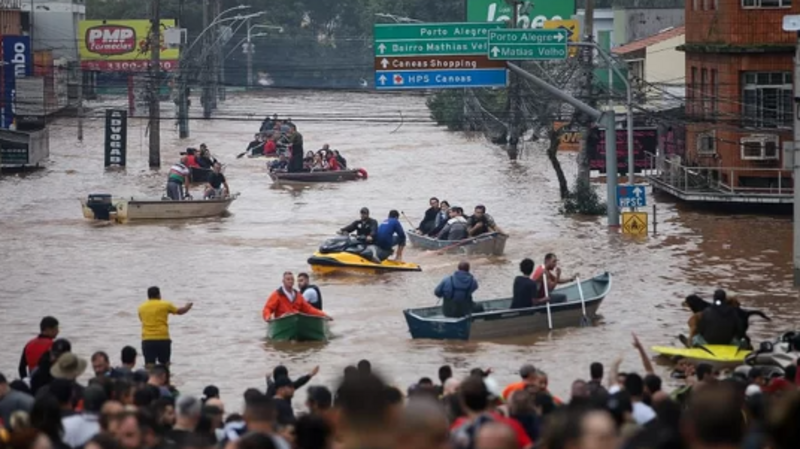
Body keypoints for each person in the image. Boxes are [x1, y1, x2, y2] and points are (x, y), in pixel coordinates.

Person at [138, 286, 193, 367]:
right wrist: (187, 307)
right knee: (165, 366)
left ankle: (150, 379)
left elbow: (142, 320)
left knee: (149, 366)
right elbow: (180, 311)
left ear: (148, 296)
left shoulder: (141, 307)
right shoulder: (165, 305)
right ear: (158, 295)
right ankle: (166, 378)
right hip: (163, 339)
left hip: (147, 340)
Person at [262, 272, 331, 321]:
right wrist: (268, 317)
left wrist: (324, 315)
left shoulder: (298, 295)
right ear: (283, 281)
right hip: (282, 320)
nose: (290, 281)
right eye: (288, 279)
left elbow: (308, 309)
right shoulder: (277, 294)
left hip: (296, 320)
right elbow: (268, 308)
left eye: (292, 279)